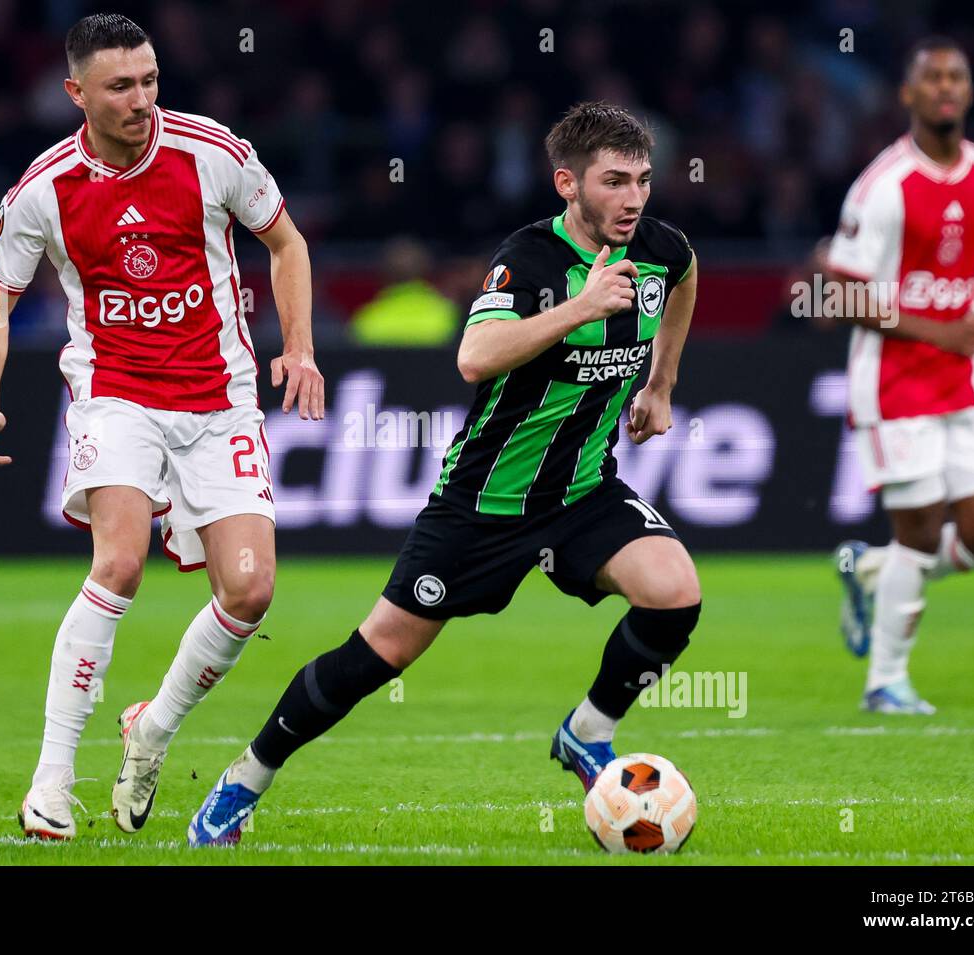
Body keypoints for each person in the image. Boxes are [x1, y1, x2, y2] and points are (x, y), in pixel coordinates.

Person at [186, 102, 702, 846]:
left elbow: (684, 277)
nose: (633, 198)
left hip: (583, 490)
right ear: (568, 184)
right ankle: (246, 778)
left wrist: (661, 383)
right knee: (377, 655)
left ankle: (587, 732)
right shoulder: (527, 260)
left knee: (676, 594)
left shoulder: (660, 247)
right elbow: (475, 356)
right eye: (615, 181)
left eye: (643, 181)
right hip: (484, 503)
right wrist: (581, 306)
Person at [0, 13, 325, 839]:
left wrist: (298, 346)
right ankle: (52, 783)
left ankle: (150, 728)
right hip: (115, 393)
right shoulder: (44, 190)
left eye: (150, 80)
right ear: (76, 92)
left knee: (250, 589)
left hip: (219, 395)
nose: (140, 99)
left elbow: (288, 242)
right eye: (120, 86)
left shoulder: (214, 153)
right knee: (119, 560)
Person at [828, 37, 974, 714]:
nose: (944, 87)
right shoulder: (883, 186)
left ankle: (871, 570)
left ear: (968, 91)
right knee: (920, 528)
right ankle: (886, 680)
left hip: (965, 381)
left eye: (955, 77)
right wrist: (941, 329)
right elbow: (837, 293)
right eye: (930, 77)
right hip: (894, 382)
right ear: (907, 94)